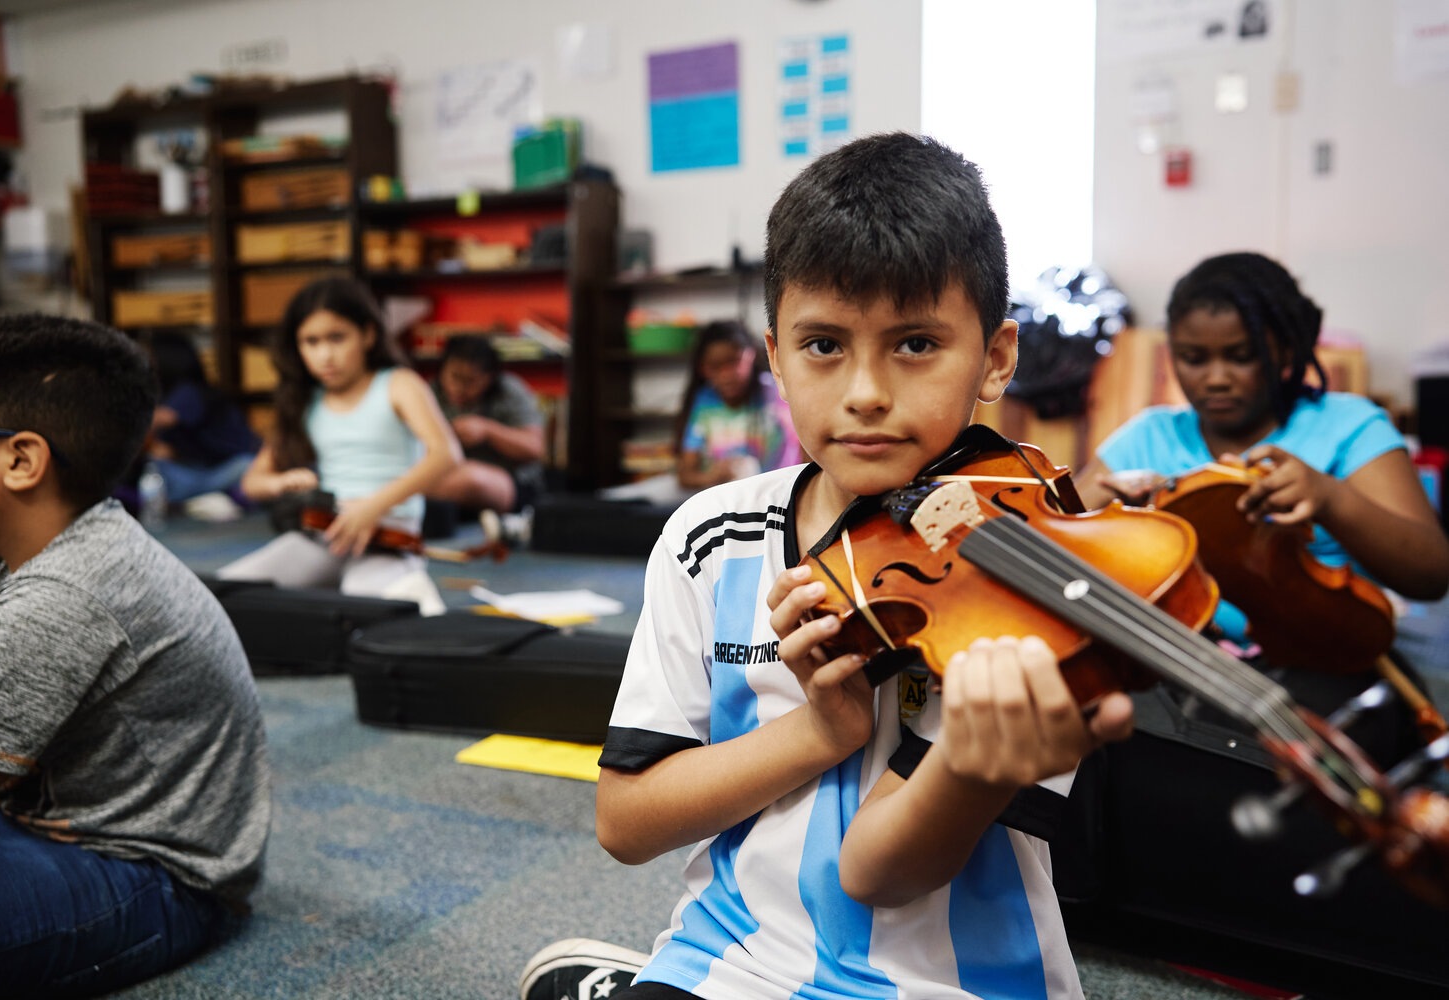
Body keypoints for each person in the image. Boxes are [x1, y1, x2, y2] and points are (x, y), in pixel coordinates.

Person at [521, 133, 1134, 1000]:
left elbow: (879, 874)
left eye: (916, 344)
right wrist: (820, 731)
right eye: (823, 346)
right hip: (727, 963)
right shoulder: (709, 538)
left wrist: (973, 760)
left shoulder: (1033, 571)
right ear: (774, 355)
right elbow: (625, 822)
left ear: (996, 358)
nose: (865, 393)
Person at [0, 314, 270, 996]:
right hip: (30, 820)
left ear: (21, 460)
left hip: (151, 875)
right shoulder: (4, 562)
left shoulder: (64, 595)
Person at [1074, 251, 1449, 760]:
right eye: (1193, 358)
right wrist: (1091, 504)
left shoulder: (1349, 425)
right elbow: (1061, 523)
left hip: (1323, 659)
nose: (1216, 378)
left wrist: (1330, 497)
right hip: (1179, 664)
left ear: (1286, 348)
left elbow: (1430, 572)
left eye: (1241, 355)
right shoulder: (1149, 435)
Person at [219, 277, 460, 615]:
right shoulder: (304, 400)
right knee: (223, 595)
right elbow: (251, 483)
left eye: (337, 338)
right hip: (325, 536)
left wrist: (371, 508)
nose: (325, 355)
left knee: (372, 611)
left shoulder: (398, 384)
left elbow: (447, 455)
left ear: (368, 334)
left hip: (387, 538)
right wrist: (280, 482)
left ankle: (406, 589)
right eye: (311, 342)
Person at [428, 333, 546, 517]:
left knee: (472, 480)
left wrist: (487, 431)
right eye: (454, 376)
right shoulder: (429, 392)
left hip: (508, 483)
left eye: (470, 380)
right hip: (445, 481)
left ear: (489, 378)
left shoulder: (509, 390)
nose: (459, 387)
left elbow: (534, 448)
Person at [674, 319, 800, 490]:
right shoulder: (704, 405)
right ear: (703, 368)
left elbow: (805, 453)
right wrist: (712, 476)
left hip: (780, 494)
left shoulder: (778, 394)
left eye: (734, 362)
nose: (726, 375)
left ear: (751, 354)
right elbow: (685, 475)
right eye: (715, 366)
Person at [145, 331, 259, 517]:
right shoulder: (168, 394)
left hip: (228, 468)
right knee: (156, 466)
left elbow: (152, 420)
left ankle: (206, 501)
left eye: (149, 359)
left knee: (246, 467)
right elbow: (165, 450)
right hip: (201, 472)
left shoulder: (189, 391)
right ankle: (205, 501)